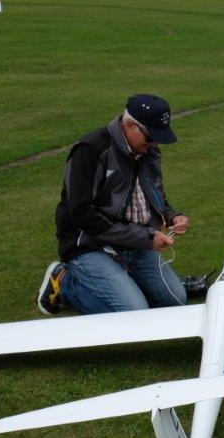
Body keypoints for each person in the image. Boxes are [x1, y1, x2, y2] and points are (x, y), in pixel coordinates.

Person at [37, 94, 191, 315]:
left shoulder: (149, 151)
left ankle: (123, 283)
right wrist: (145, 237)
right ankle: (65, 283)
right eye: (150, 137)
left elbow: (153, 195)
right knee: (135, 312)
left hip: (135, 243)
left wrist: (172, 215)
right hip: (90, 244)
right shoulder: (90, 150)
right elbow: (81, 214)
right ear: (129, 125)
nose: (154, 144)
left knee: (175, 300)